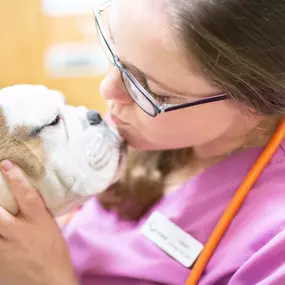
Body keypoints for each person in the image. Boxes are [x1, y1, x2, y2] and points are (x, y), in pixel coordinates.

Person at [0, 0, 285, 284]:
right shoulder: (140, 130)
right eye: (114, 49)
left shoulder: (273, 247)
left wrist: (51, 277)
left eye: (149, 89)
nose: (108, 90)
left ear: (255, 101)